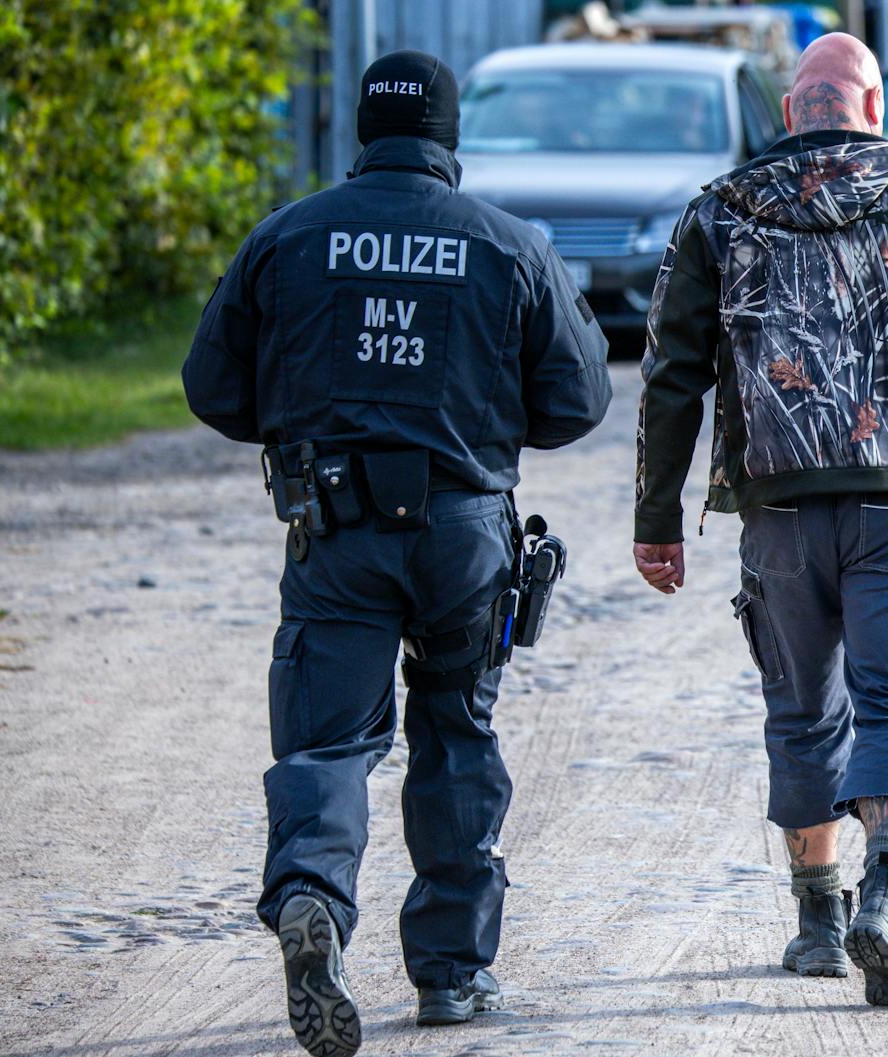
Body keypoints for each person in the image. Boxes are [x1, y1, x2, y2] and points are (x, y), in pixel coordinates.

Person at [183, 50, 612, 1057]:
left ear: (363, 134)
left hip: (333, 527)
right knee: (456, 729)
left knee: (328, 742)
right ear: (450, 139)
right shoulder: (509, 245)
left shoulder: (287, 236)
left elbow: (213, 387)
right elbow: (579, 398)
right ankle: (452, 974)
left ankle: (312, 895)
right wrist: (483, 424)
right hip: (463, 532)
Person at [632, 32, 888, 1009]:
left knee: (801, 709)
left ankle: (818, 924)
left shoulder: (721, 210)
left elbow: (670, 373)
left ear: (790, 112)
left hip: (776, 503)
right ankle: (887, 896)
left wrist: (657, 518)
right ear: (874, 108)